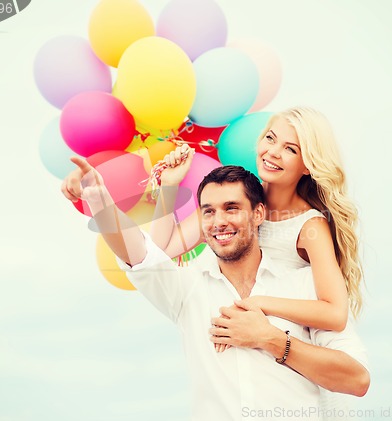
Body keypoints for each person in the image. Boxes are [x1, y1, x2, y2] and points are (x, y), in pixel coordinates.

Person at [61, 163, 370, 420]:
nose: (219, 221)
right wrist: (100, 201)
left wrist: (271, 339)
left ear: (259, 214)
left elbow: (356, 379)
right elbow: (140, 253)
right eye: (208, 212)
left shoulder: (303, 285)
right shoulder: (187, 289)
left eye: (231, 208)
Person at [147, 107, 363, 347]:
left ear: (308, 165)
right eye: (270, 138)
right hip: (229, 339)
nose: (273, 152)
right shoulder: (233, 200)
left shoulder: (309, 226)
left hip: (278, 346)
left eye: (290, 149)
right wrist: (168, 185)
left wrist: (258, 301)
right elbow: (157, 254)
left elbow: (335, 314)